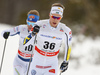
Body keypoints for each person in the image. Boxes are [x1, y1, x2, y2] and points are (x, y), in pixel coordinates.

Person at [25, 3, 72, 75]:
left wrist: (66, 61)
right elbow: (25, 41)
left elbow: (68, 46)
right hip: (37, 62)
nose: (55, 20)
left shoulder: (65, 30)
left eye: (58, 18)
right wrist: (32, 33)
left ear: (61, 17)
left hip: (51, 64)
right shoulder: (39, 24)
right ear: (50, 14)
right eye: (53, 16)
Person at [1, 10, 40, 75]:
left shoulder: (40, 32)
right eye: (29, 22)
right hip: (19, 61)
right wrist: (5, 34)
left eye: (33, 24)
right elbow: (5, 31)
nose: (30, 26)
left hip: (32, 63)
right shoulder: (22, 28)